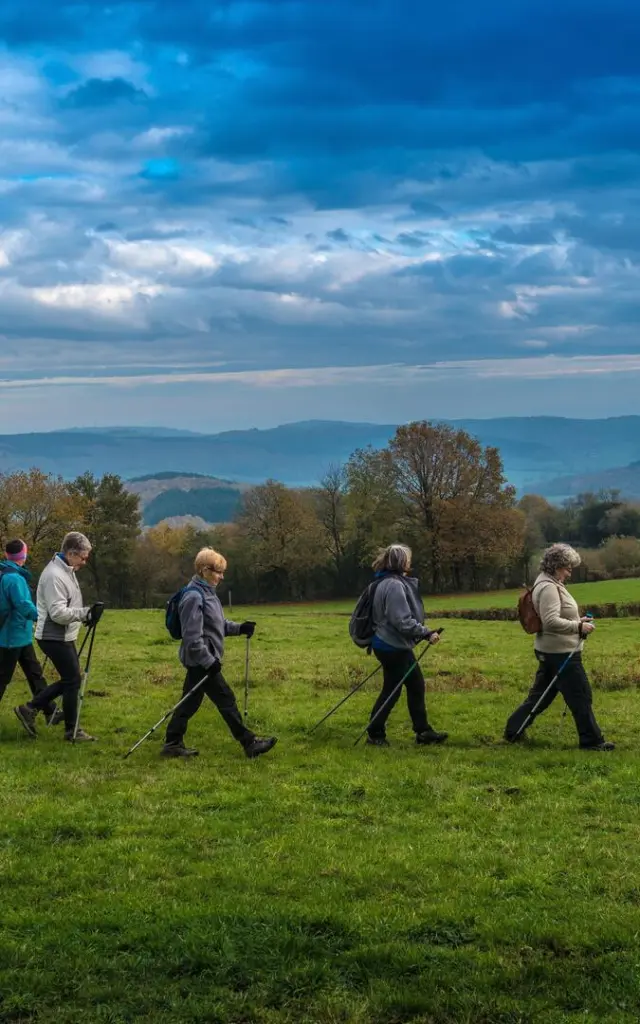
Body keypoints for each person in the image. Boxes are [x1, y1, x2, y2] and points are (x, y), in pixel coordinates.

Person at [162, 546, 277, 760]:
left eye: (223, 572)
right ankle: (249, 742)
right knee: (226, 698)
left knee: (189, 702)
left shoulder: (209, 594)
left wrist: (240, 628)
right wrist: (208, 661)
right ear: (205, 570)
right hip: (201, 661)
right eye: (218, 572)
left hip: (205, 660)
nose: (221, 577)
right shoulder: (194, 598)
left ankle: (172, 743)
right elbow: (192, 638)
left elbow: (219, 625)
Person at [504, 543, 614, 750]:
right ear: (556, 566)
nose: (570, 572)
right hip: (561, 653)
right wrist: (579, 626)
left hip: (550, 650)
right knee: (581, 696)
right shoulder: (549, 588)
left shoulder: (547, 582)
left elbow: (556, 616)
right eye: (567, 568)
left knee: (540, 697)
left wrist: (578, 620)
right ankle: (592, 741)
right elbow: (551, 621)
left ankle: (513, 730)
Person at [14, 532, 98, 743]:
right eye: (83, 557)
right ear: (70, 553)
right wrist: (85, 613)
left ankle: (30, 709)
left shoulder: (67, 569)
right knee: (72, 680)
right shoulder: (54, 575)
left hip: (62, 635)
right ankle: (71, 730)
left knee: (71, 680)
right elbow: (58, 613)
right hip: (53, 636)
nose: (84, 561)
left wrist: (84, 616)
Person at [366, 543, 447, 747]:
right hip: (391, 647)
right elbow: (401, 621)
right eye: (408, 559)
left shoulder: (384, 581)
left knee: (414, 686)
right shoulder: (393, 585)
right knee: (393, 690)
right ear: (401, 562)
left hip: (388, 644)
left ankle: (422, 731)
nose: (410, 562)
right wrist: (426, 632)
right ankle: (376, 733)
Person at [0, 540, 62, 724]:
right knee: (2, 678)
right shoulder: (14, 578)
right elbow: (23, 604)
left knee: (35, 675)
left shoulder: (6, 573)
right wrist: (41, 617)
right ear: (23, 555)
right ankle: (49, 711)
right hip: (11, 637)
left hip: (20, 636)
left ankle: (50, 711)